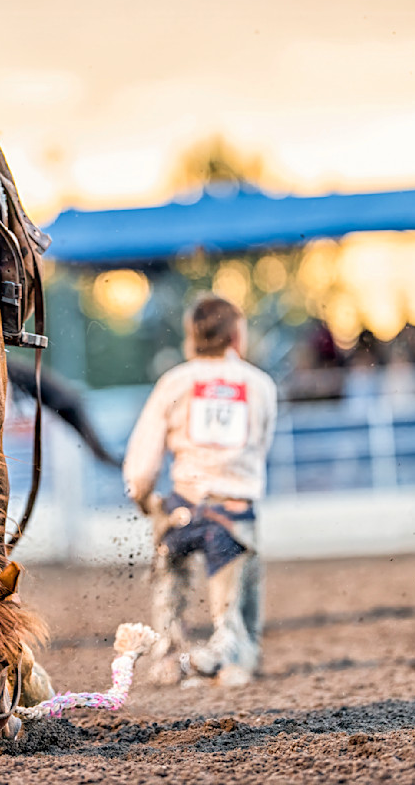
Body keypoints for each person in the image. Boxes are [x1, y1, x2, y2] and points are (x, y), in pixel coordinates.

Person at [123, 294, 277, 686]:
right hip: (233, 513)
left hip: (182, 511)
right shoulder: (259, 385)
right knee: (236, 623)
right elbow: (261, 445)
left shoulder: (174, 382)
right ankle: (224, 656)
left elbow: (142, 463)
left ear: (192, 338)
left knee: (167, 580)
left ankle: (168, 657)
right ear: (236, 337)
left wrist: (146, 502)